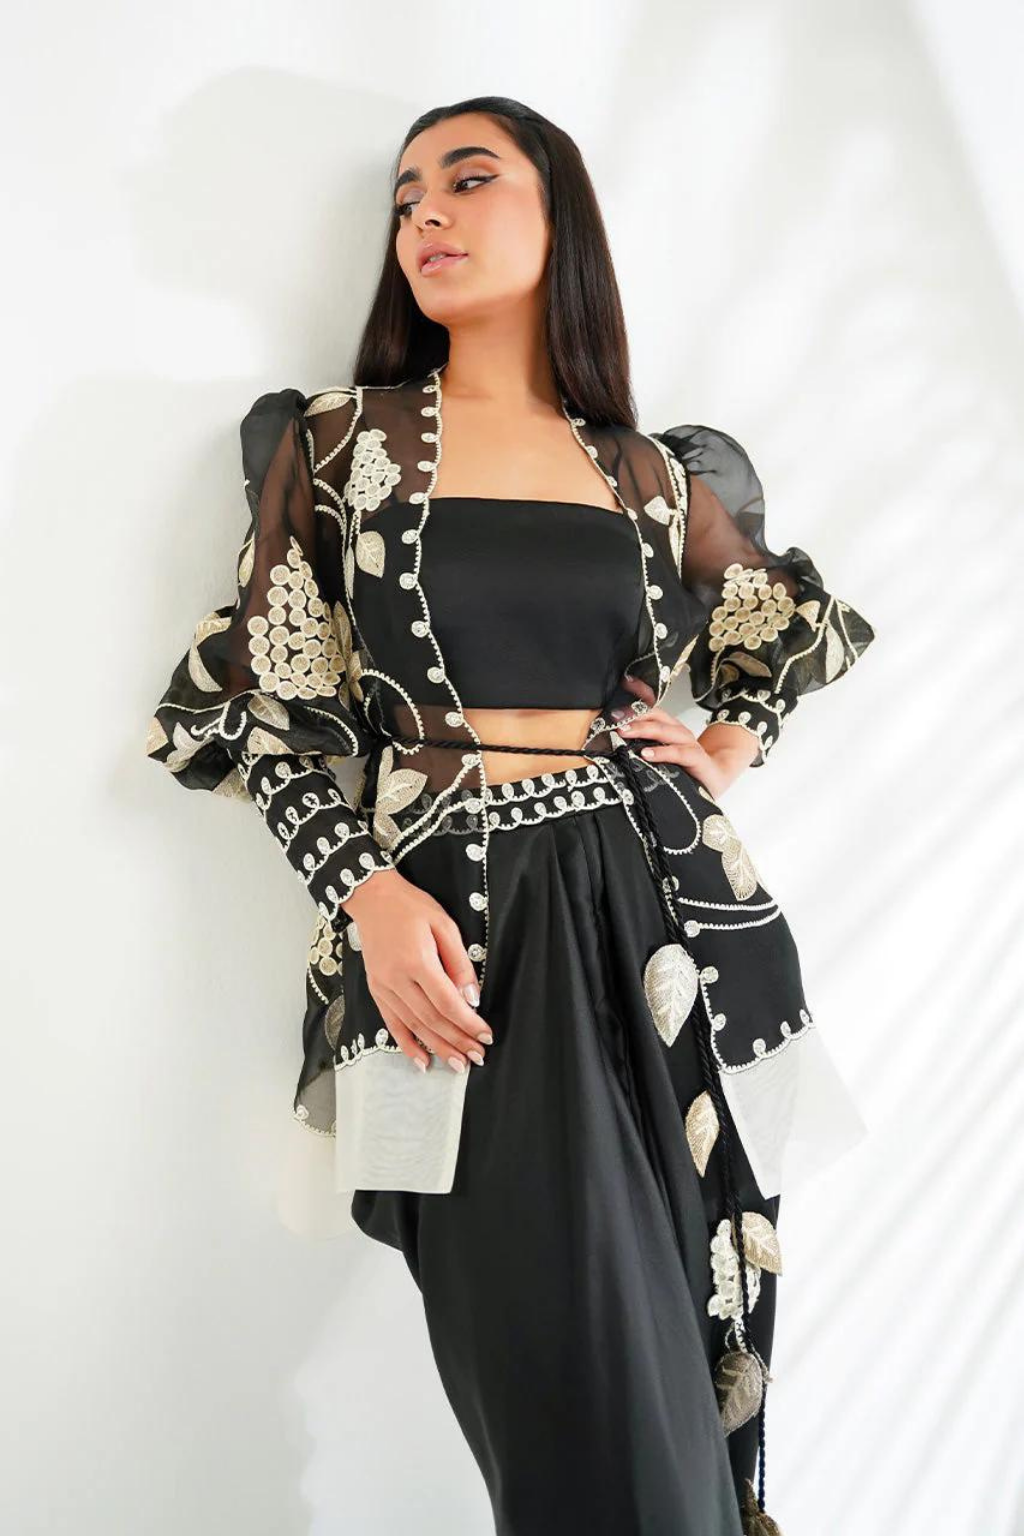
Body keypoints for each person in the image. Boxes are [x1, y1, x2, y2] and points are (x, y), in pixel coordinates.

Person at [145, 95, 876, 1536]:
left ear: (561, 221)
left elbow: (792, 624)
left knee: (695, 1381)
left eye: (468, 181)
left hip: (666, 924)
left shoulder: (647, 473)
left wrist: (725, 745)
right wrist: (367, 893)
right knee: (585, 1415)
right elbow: (261, 716)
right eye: (406, 196)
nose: (425, 213)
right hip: (463, 949)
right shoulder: (337, 446)